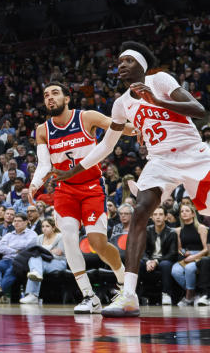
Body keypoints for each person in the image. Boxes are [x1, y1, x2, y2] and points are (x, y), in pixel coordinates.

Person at [52, 41, 210, 317]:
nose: (121, 65)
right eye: (119, 61)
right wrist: (73, 171)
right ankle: (129, 294)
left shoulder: (160, 80)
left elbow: (199, 109)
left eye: (127, 61)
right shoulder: (121, 105)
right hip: (161, 161)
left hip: (194, 155)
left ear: (141, 66)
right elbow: (107, 146)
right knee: (140, 210)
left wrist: (158, 101)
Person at [29, 82, 132, 313]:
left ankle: (124, 282)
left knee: (98, 243)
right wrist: (35, 184)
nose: (50, 98)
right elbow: (44, 164)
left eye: (55, 93)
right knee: (68, 236)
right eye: (46, 95)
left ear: (67, 98)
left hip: (92, 186)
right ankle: (89, 296)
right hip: (65, 189)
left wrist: (136, 129)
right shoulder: (43, 130)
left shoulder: (86, 117)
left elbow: (115, 125)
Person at [0, 214, 38, 302]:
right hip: (6, 260)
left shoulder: (32, 234)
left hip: (21, 261)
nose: (16, 223)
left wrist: (9, 246)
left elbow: (27, 246)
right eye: (15, 221)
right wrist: (15, 250)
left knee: (10, 271)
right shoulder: (9, 234)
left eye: (19, 221)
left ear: (26, 222)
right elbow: (0, 247)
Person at [20, 219, 67, 304]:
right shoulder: (39, 238)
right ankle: (33, 292)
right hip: (43, 262)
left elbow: (59, 254)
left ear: (53, 228)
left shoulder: (60, 237)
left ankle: (33, 295)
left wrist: (43, 252)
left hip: (58, 262)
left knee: (36, 263)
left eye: (47, 226)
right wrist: (50, 251)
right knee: (33, 258)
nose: (44, 228)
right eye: (43, 226)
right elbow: (34, 251)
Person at [171, 202, 208, 306]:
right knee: (175, 271)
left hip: (200, 255)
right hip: (186, 256)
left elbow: (206, 249)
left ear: (193, 214)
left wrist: (193, 256)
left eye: (187, 211)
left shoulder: (201, 228)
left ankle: (188, 296)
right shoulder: (178, 230)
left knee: (189, 269)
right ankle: (195, 292)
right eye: (182, 211)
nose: (184, 213)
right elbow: (180, 248)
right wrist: (184, 253)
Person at [141, 207, 177, 304]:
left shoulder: (172, 233)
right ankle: (137, 294)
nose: (158, 217)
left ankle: (166, 294)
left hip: (164, 260)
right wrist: (148, 261)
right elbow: (142, 250)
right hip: (150, 260)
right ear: (152, 217)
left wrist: (156, 262)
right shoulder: (147, 231)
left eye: (160, 214)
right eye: (155, 215)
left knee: (165, 265)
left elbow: (172, 253)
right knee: (139, 263)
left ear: (165, 217)